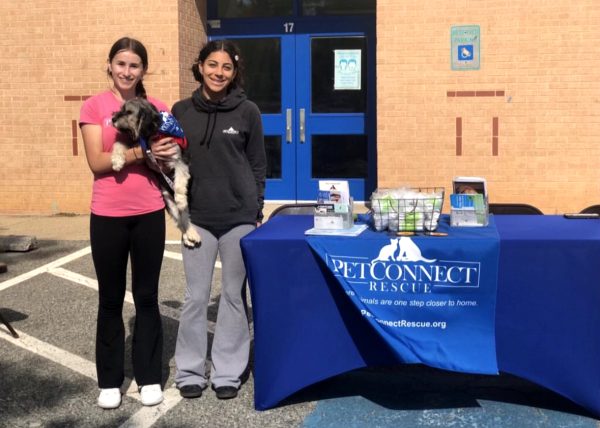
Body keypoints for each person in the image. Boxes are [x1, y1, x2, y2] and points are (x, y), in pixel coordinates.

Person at [166, 39, 266, 400]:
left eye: (226, 67)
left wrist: (256, 211)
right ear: (200, 66)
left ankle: (227, 371)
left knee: (233, 296)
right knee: (195, 297)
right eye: (212, 65)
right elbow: (171, 164)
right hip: (197, 220)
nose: (218, 72)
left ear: (234, 71)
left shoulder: (248, 111)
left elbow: (257, 164)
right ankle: (191, 369)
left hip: (239, 217)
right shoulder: (180, 111)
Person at [79, 37, 172, 409]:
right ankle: (110, 381)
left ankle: (149, 377)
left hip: (149, 212)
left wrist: (162, 157)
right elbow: (98, 162)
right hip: (107, 215)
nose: (127, 71)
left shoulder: (158, 107)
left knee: (147, 298)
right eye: (121, 64)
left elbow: (167, 159)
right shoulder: (93, 106)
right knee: (110, 299)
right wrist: (142, 152)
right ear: (110, 65)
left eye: (134, 65)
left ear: (142, 71)